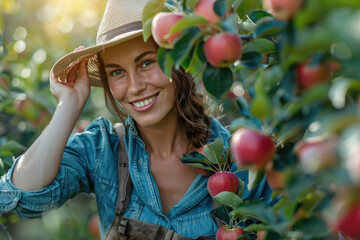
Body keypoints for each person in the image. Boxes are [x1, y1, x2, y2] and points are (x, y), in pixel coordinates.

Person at [0, 0, 274, 239]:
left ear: (179, 61)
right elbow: (19, 197)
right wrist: (69, 106)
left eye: (146, 63)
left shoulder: (240, 160)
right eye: (117, 73)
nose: (134, 87)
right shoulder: (103, 151)